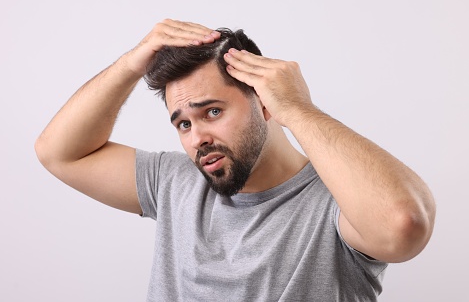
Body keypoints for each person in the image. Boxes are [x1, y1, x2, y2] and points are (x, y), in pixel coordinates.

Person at [35, 19, 436, 301]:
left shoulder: (337, 203)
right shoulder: (174, 181)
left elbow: (402, 225)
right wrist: (130, 64)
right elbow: (58, 153)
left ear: (264, 103)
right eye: (183, 123)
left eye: (212, 112)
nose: (197, 138)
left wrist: (298, 109)